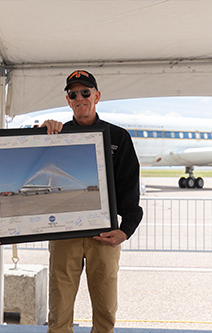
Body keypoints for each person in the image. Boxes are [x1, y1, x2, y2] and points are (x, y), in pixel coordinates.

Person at [42, 70, 144, 333]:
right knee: (59, 310)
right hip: (65, 234)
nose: (80, 98)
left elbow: (129, 187)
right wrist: (39, 132)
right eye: (73, 94)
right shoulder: (55, 134)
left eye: (85, 93)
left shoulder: (118, 137)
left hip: (105, 234)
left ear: (96, 96)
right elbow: (23, 151)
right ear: (68, 100)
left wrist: (126, 229)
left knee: (106, 310)